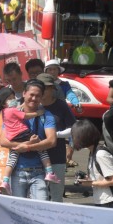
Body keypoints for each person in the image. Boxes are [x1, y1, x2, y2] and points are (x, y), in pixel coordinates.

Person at [0, 86, 60, 195]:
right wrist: (28, 145)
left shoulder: (4, 112)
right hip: (19, 168)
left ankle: (5, 180)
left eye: (38, 95)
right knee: (40, 146)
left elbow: (52, 141)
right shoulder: (15, 111)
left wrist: (24, 147)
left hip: (36, 171)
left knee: (13, 155)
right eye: (31, 95)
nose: (34, 98)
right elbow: (3, 141)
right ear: (24, 93)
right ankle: (49, 172)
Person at [36, 73, 76, 202]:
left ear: (52, 89)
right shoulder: (31, 105)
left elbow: (73, 128)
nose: (43, 91)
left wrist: (56, 135)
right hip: (34, 158)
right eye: (40, 87)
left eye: (46, 88)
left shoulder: (61, 105)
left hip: (57, 156)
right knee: (38, 197)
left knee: (56, 197)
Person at [71, 120, 113, 208]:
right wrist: (86, 178)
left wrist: (91, 183)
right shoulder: (93, 152)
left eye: (74, 136)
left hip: (110, 201)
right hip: (101, 199)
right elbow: (102, 176)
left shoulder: (100, 154)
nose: (73, 139)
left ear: (83, 136)